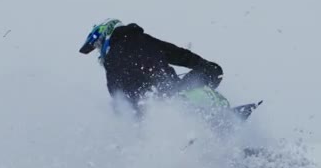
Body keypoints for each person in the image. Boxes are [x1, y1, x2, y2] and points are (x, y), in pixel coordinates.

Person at [79, 19, 224, 113]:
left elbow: (118, 95)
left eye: (98, 45)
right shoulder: (145, 39)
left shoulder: (112, 58)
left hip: (152, 108)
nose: (99, 51)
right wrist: (207, 67)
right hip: (175, 93)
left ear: (107, 33)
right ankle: (220, 115)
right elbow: (180, 55)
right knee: (212, 72)